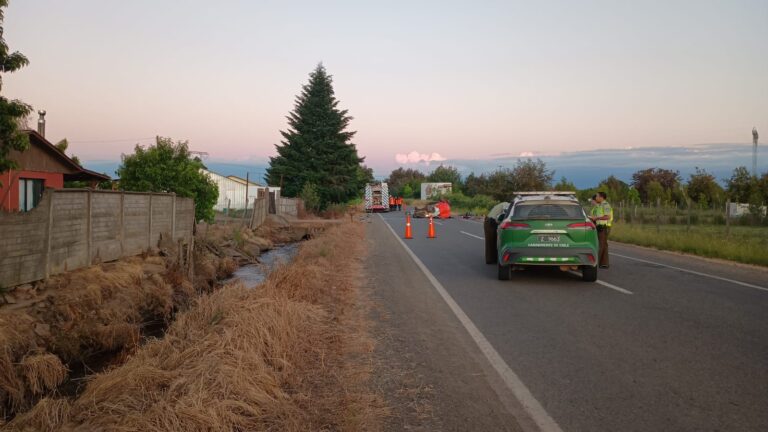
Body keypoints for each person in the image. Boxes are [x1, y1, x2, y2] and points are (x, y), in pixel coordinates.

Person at [589, 191, 613, 268]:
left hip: (604, 226)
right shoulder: (600, 205)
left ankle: (595, 262)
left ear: (601, 197)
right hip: (600, 226)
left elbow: (608, 216)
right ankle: (604, 263)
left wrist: (596, 218)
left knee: (600, 245)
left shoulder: (605, 205)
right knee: (604, 245)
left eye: (597, 196)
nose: (596, 198)